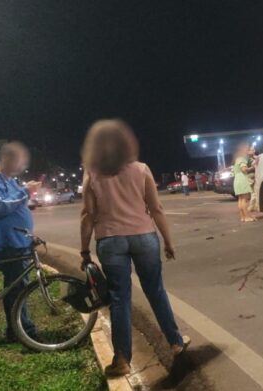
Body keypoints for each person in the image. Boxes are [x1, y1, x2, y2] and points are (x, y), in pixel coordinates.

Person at [79, 119, 189, 377]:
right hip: (144, 237)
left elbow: (88, 215)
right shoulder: (141, 169)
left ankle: (122, 359)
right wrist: (168, 241)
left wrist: (84, 250)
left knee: (119, 298)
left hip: (110, 240)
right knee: (156, 290)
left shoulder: (92, 173)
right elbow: (156, 209)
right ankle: (175, 342)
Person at [0, 142, 41, 341]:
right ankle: (22, 331)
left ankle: (16, 330)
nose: (22, 167)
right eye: (20, 162)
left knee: (17, 287)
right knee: (17, 289)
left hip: (20, 241)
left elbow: (15, 203)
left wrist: (28, 199)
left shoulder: (10, 181)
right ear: (7, 159)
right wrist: (25, 192)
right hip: (9, 244)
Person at [232, 143, 255, 222]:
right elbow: (244, 169)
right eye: (251, 149)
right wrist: (252, 168)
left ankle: (243, 217)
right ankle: (247, 217)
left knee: (240, 200)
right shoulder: (242, 158)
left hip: (237, 180)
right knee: (245, 200)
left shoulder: (238, 158)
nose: (253, 151)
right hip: (242, 179)